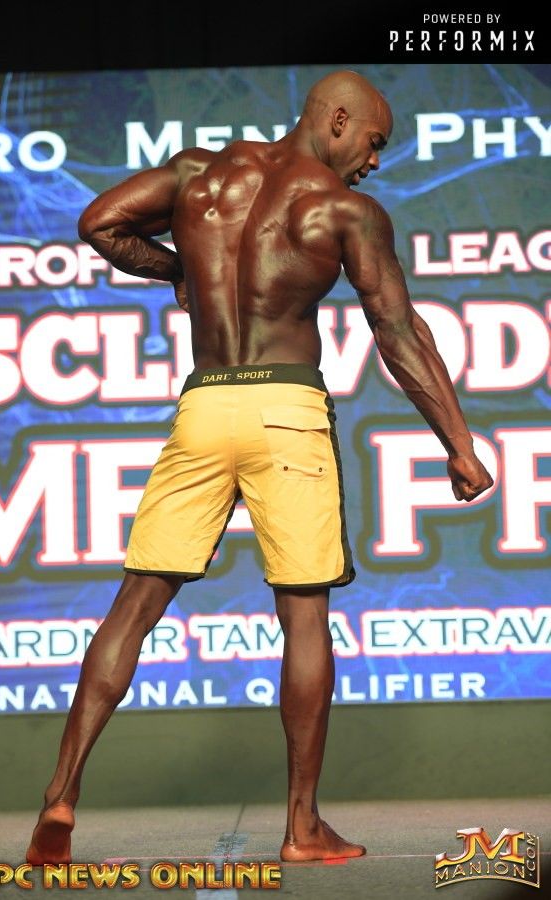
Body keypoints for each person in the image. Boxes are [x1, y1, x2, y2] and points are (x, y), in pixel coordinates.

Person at [26, 70, 492, 865]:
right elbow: (398, 331)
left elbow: (99, 222)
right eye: (374, 142)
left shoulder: (197, 175)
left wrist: (180, 269)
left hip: (206, 406)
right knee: (303, 615)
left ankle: (60, 797)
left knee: (134, 605)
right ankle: (302, 828)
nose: (375, 162)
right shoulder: (343, 210)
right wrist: (457, 440)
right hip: (286, 411)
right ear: (337, 119)